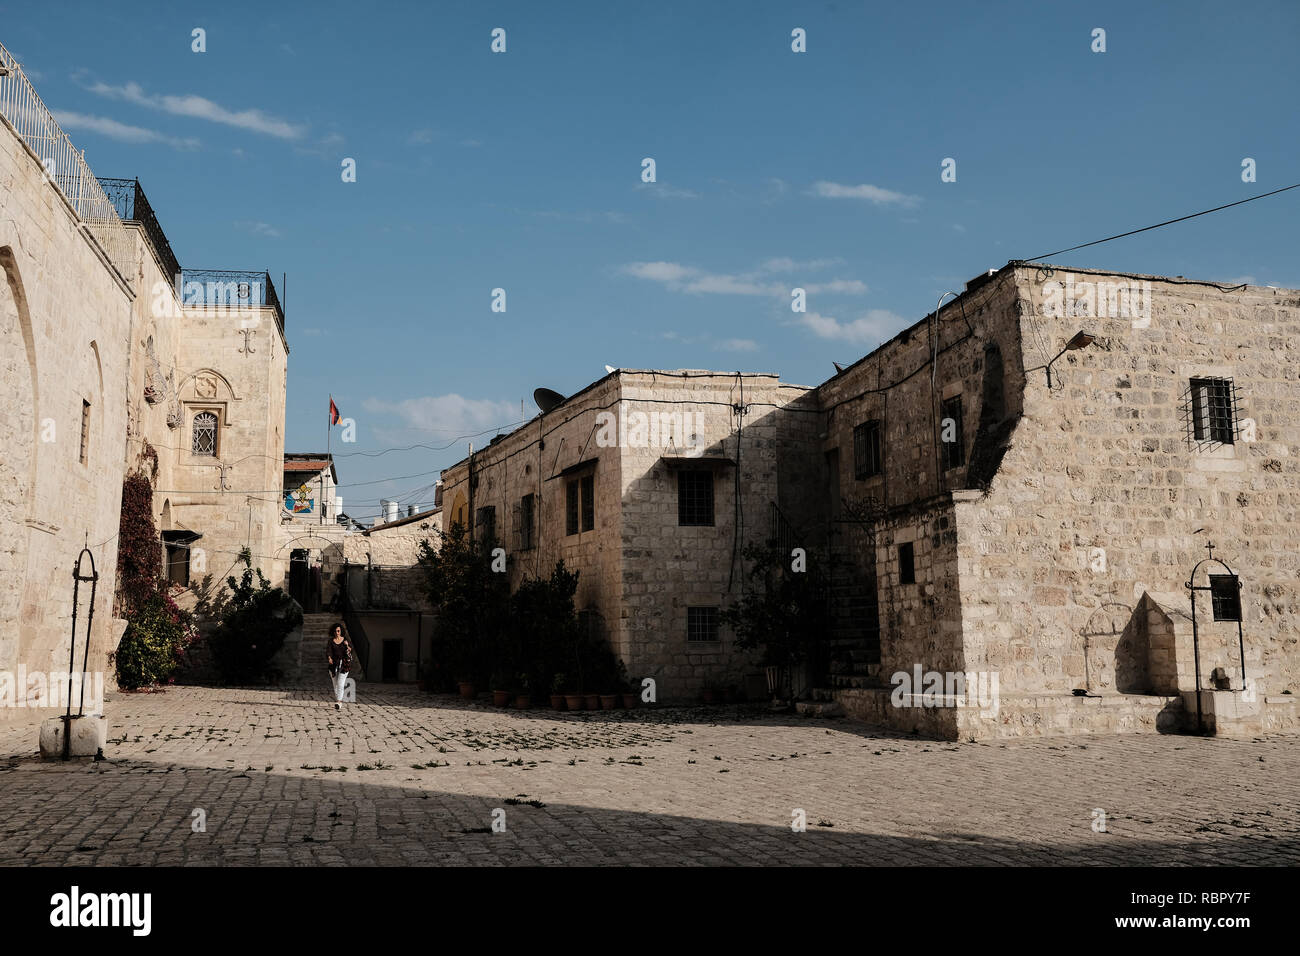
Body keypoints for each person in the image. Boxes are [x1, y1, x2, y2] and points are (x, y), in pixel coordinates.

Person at [326, 622, 353, 710]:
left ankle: (339, 701)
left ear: (341, 631)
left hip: (344, 665)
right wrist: (329, 658)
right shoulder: (331, 641)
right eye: (335, 631)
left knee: (340, 683)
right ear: (333, 632)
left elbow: (350, 650)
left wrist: (347, 645)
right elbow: (328, 651)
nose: (337, 632)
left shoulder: (345, 639)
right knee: (335, 685)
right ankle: (339, 701)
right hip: (333, 666)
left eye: (338, 631)